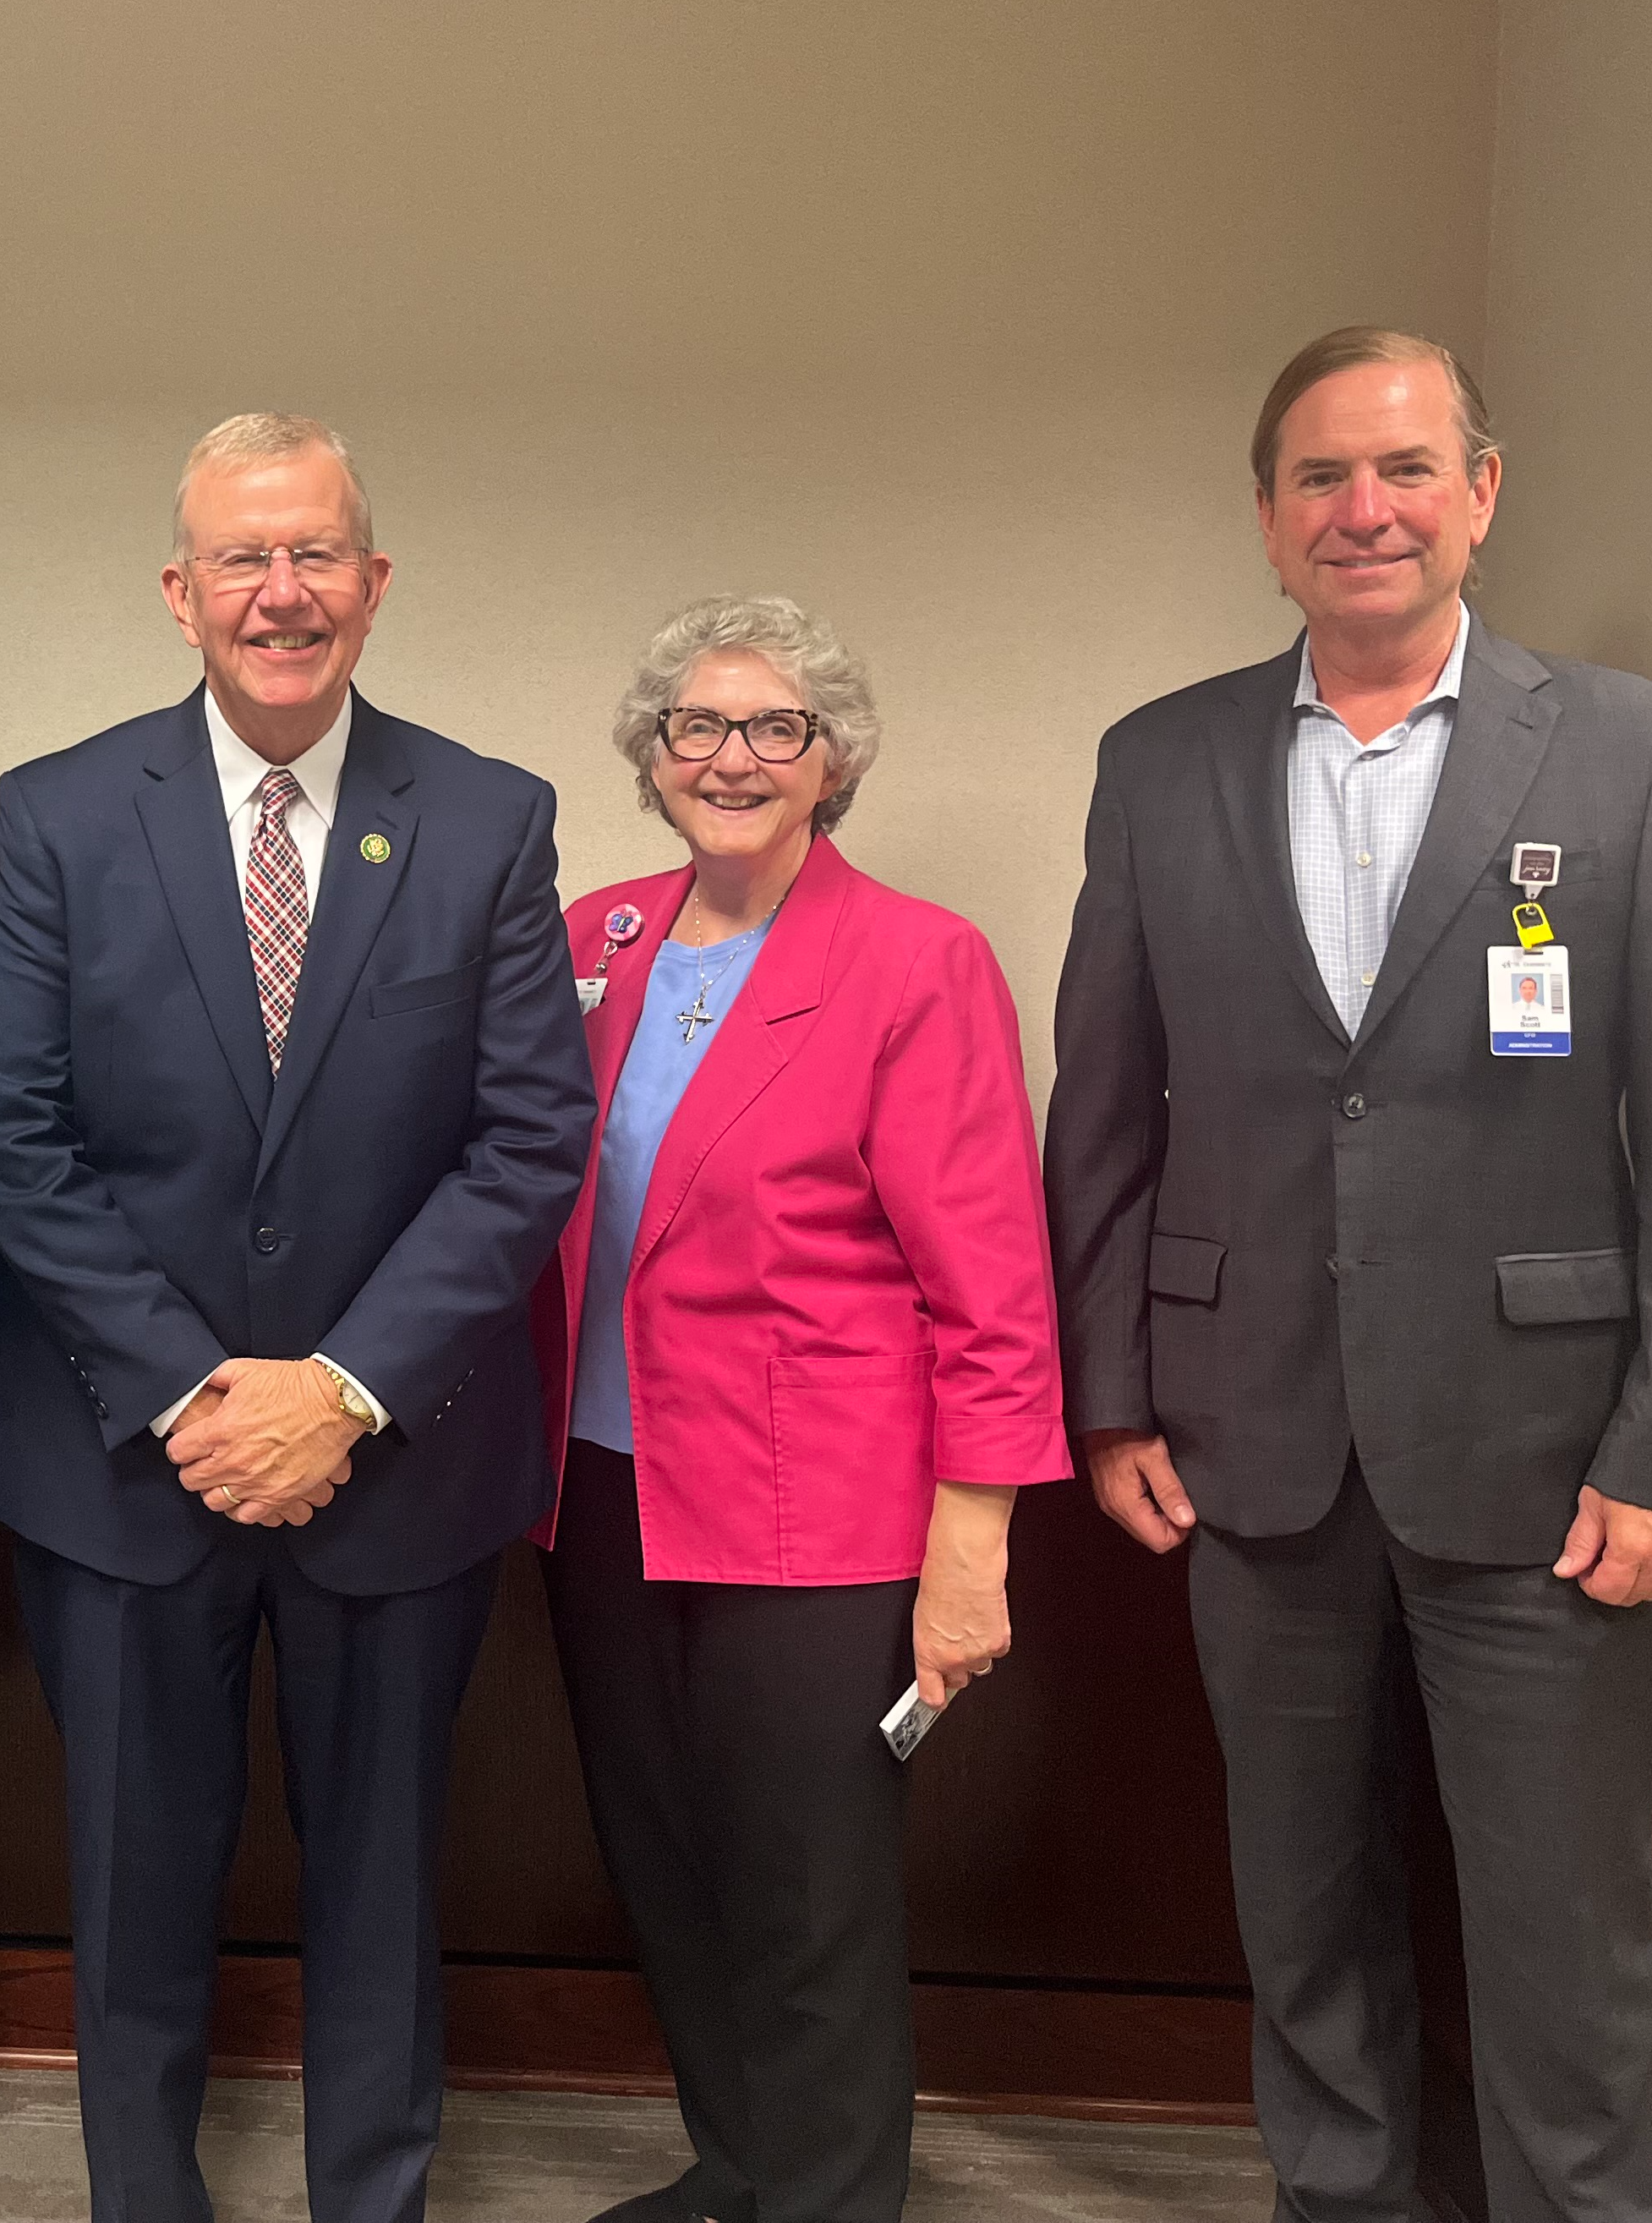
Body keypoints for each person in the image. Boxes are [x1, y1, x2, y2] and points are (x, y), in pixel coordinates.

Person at [1047, 328, 1652, 2223]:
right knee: (1307, 1945)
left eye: (1402, 470)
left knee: (1567, 1966)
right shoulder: (1162, 760)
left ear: (1481, 493)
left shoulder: (1627, 754)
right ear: (1269, 520)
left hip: (1550, 1468)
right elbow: (1109, 1112)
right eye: (1318, 478)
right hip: (1248, 1450)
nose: (1362, 509)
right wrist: (1111, 1389)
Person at [0, 413, 594, 2223]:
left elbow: (529, 1141)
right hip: (119, 1471)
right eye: (244, 558)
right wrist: (189, 1393)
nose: (282, 592)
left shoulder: (488, 819)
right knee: (132, 1894)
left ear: (374, 586)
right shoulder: (64, 815)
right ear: (181, 594)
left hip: (393, 1480)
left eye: (316, 554)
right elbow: (9, 1133)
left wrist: (344, 1390)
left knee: (382, 1896)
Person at [536, 597, 1067, 2223]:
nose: (734, 758)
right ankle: (746, 2169)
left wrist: (968, 1552)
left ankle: (829, 2194)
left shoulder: (916, 960)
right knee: (668, 1870)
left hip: (817, 1517)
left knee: (806, 1898)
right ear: (652, 758)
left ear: (832, 761)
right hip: (604, 1495)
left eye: (778, 728)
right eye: (698, 727)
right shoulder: (594, 940)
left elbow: (992, 1282)